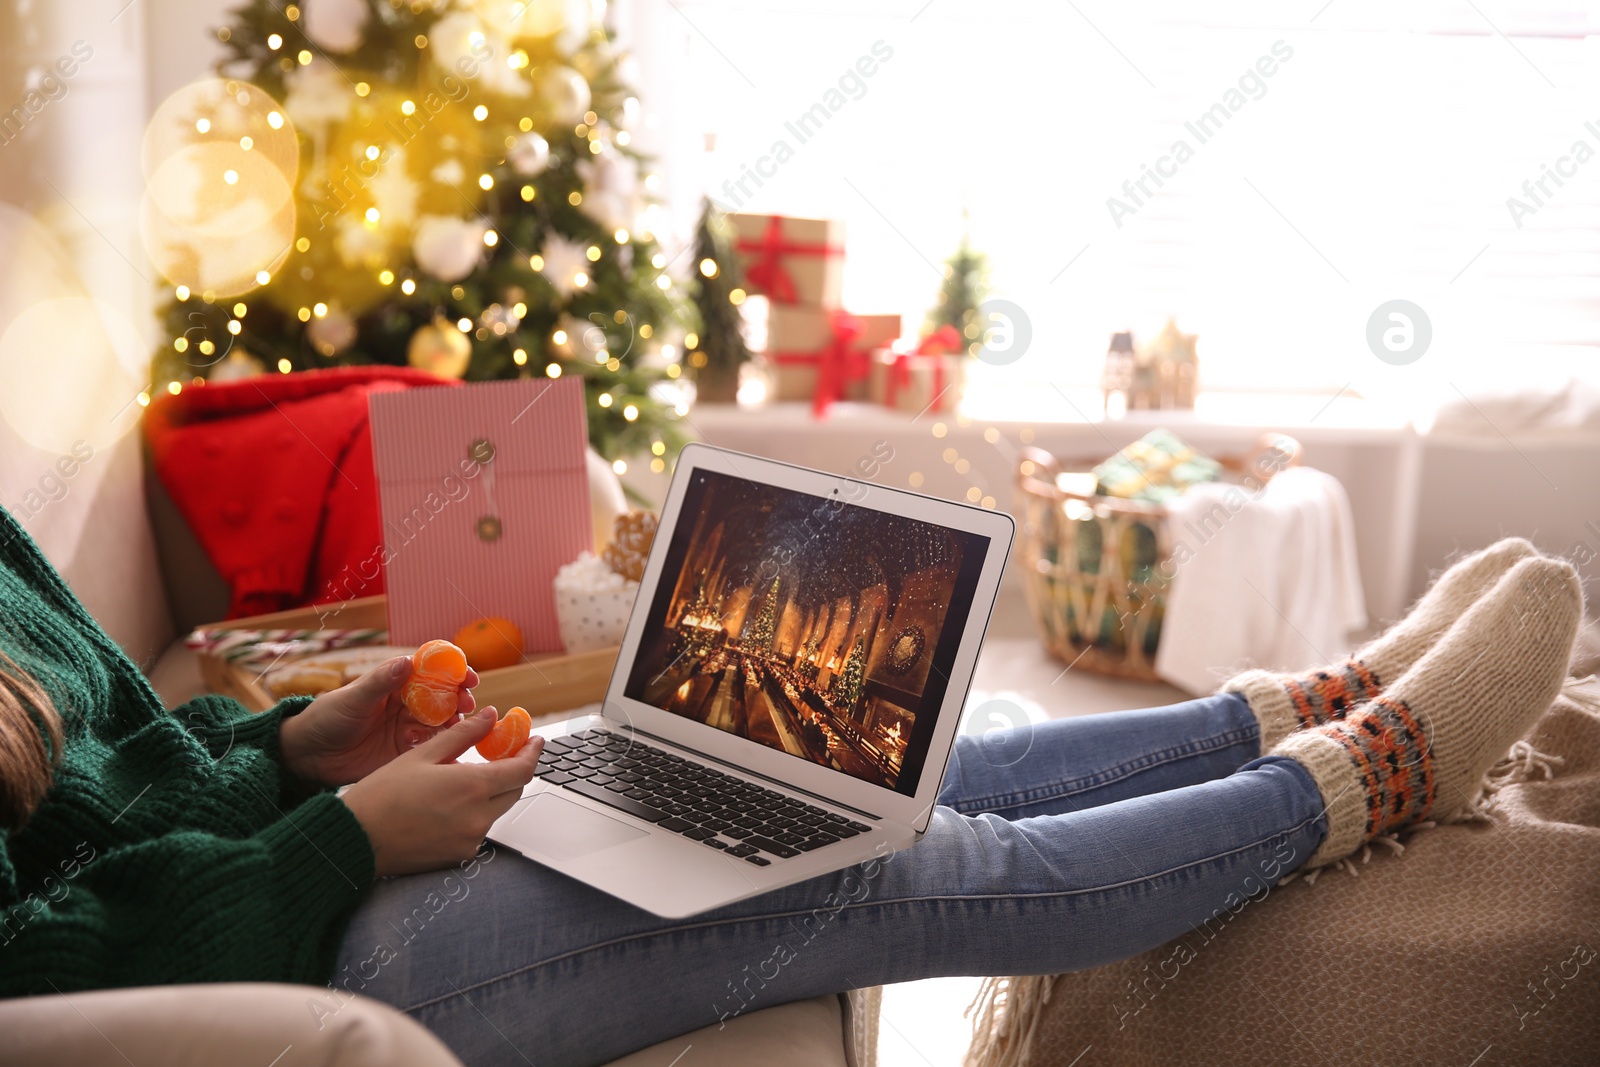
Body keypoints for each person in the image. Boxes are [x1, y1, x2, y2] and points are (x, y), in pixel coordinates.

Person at [0, 514, 1580, 1067]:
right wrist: (340, 835)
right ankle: (1377, 776)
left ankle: (1292, 710)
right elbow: (54, 970)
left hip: (320, 859)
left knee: (871, 772)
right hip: (318, 969)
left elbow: (133, 772)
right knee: (898, 870)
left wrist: (287, 752)